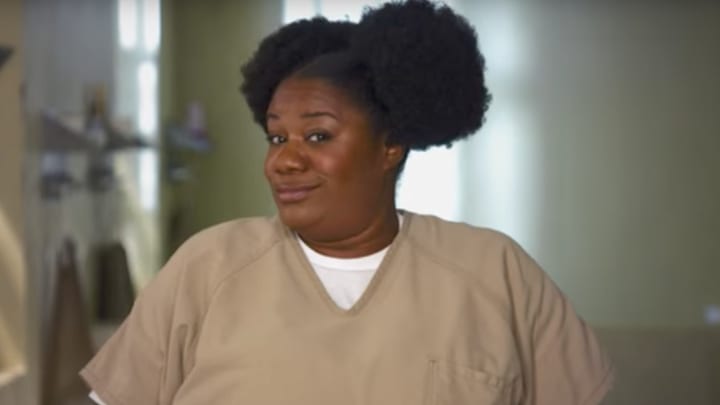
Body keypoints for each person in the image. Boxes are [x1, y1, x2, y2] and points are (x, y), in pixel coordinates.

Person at [81, 1, 613, 404]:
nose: (283, 160)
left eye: (318, 136)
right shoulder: (208, 268)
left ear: (390, 145)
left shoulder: (497, 274)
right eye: (276, 137)